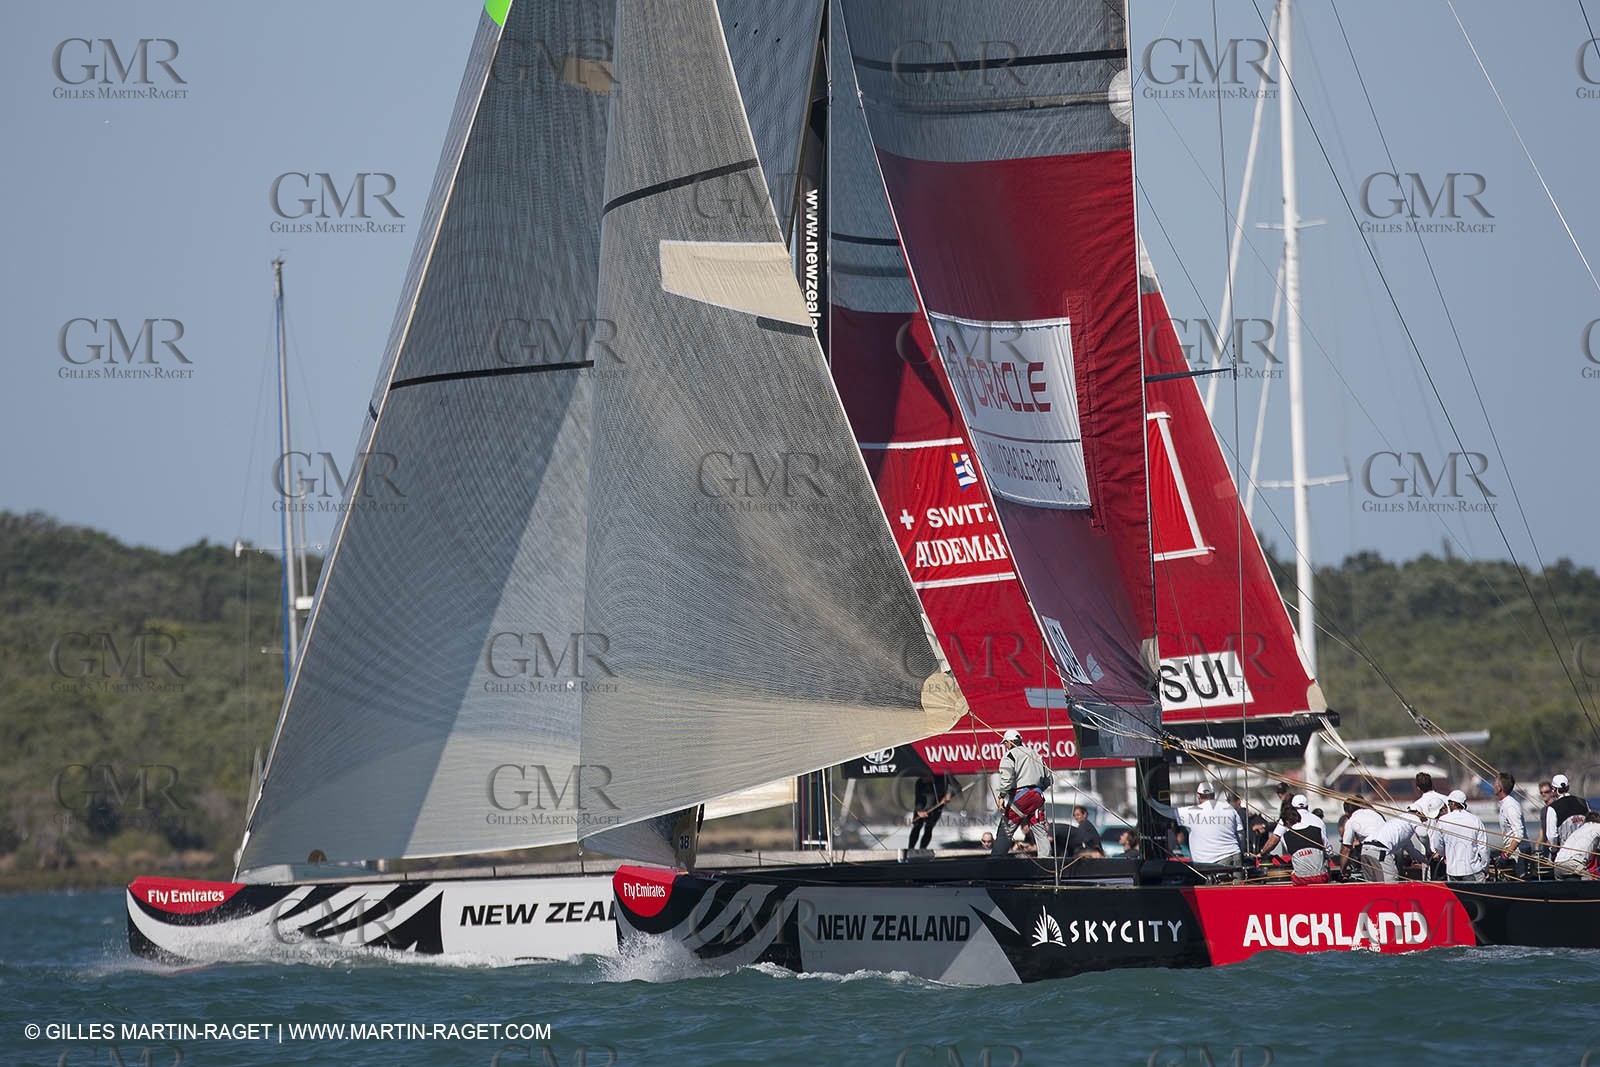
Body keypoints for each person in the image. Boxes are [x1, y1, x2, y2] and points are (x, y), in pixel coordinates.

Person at [990, 729, 1051, 858]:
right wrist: (1037, 790)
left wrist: (1001, 796)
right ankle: (1046, 860)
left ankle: (996, 860)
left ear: (1010, 742)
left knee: (1005, 830)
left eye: (1005, 743)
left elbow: (1007, 779)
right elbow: (1049, 779)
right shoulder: (1036, 754)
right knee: (1040, 831)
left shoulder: (1010, 756)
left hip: (1021, 797)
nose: (1005, 747)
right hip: (1038, 795)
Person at [1176, 781, 1244, 874]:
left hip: (1213, 863)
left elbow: (1167, 811)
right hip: (1235, 855)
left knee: (1217, 887)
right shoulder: (1229, 808)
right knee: (1237, 888)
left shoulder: (1191, 812)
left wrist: (1150, 801)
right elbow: (1240, 835)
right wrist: (1241, 852)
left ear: (1198, 796)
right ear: (1214, 795)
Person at [1431, 789, 1490, 881]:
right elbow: (1483, 848)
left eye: (1449, 803)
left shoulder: (1442, 821)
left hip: (1452, 872)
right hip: (1473, 870)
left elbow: (1437, 846)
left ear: (1454, 803)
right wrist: (1485, 868)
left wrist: (1446, 855)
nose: (1448, 805)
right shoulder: (1475, 820)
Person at [1338, 798, 1388, 881]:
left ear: (1346, 812)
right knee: (1387, 882)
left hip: (1369, 849)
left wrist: (1343, 871)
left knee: (1372, 884)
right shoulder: (1375, 814)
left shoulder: (1351, 820)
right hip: (1387, 848)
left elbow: (1346, 849)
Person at [908, 771, 959, 850]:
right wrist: (920, 811)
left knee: (928, 828)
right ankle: (910, 849)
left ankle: (922, 849)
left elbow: (957, 787)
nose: (923, 779)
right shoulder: (919, 783)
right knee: (917, 827)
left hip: (936, 808)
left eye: (925, 777)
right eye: (922, 777)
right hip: (922, 807)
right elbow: (918, 800)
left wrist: (949, 794)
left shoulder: (943, 777)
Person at [1493, 772, 1528, 877]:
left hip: (1518, 854)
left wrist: (1505, 855)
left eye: (1495, 784)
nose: (1493, 786)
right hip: (1513, 852)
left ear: (1499, 788)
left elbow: (1519, 834)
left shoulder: (1510, 806)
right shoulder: (1505, 804)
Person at [1553, 811, 1600, 878]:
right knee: (1591, 886)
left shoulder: (1579, 830)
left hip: (1557, 864)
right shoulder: (1597, 827)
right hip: (1573, 865)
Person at [1550, 773, 1591, 846]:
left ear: (1553, 789)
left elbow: (1552, 836)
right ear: (1568, 787)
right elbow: (1591, 825)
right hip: (1585, 849)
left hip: (1565, 852)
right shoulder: (1584, 802)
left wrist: (1553, 851)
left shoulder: (1552, 808)